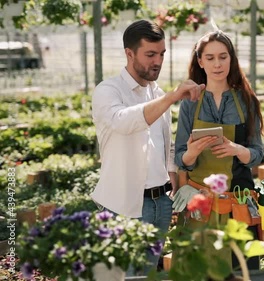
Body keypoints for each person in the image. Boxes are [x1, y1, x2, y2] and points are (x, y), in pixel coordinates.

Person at [91, 19, 205, 276]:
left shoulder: (157, 93)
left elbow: (165, 146)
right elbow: (124, 122)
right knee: (122, 275)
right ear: (129, 53)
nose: (158, 61)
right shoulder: (108, 91)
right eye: (150, 54)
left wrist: (173, 184)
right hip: (124, 206)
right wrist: (171, 97)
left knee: (147, 274)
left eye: (162, 54)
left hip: (160, 204)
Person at [173, 29, 264, 281]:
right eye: (210, 58)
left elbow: (258, 154)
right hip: (200, 202)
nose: (217, 64)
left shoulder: (246, 100)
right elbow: (180, 157)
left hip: (238, 197)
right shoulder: (190, 103)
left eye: (223, 57)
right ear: (200, 62)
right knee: (201, 272)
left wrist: (237, 150)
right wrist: (191, 153)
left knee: (240, 270)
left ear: (231, 59)